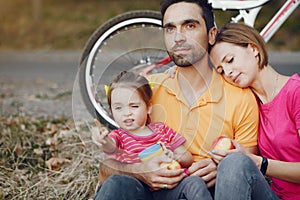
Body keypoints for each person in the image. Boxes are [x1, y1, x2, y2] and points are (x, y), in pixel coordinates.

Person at [94, 0, 259, 199]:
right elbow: (106, 168)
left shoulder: (240, 98)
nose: (178, 37)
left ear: (211, 34)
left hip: (208, 192)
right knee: (117, 184)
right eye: (170, 29)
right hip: (153, 192)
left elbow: (246, 167)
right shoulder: (148, 89)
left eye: (190, 26)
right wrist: (140, 170)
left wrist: (220, 167)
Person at [209, 22, 300, 200]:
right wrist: (177, 71)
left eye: (230, 60)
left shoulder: (295, 93)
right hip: (269, 195)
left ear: (253, 49)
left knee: (236, 163)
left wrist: (260, 163)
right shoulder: (247, 102)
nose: (227, 72)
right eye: (220, 70)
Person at [93, 70, 213, 199]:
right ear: (111, 111)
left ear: (148, 107)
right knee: (116, 183)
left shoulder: (162, 129)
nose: (126, 113)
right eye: (118, 108)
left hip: (170, 187)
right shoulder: (118, 136)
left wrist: (174, 157)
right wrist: (103, 140)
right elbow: (110, 147)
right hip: (139, 190)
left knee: (195, 183)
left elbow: (187, 158)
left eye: (133, 106)